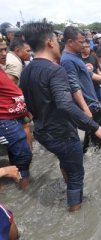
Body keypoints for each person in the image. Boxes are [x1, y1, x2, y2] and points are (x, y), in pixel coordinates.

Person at [20, 22, 101, 212]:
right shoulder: (55, 70)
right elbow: (65, 104)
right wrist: (95, 127)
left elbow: (27, 103)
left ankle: (68, 187)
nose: (58, 43)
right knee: (77, 175)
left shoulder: (27, 70)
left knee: (66, 162)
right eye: (56, 39)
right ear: (49, 43)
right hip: (61, 133)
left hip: (42, 131)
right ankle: (75, 212)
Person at [61, 26, 101, 153]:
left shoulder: (75, 57)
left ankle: (89, 152)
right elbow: (74, 86)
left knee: (92, 130)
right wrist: (85, 108)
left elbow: (89, 74)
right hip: (87, 103)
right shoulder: (68, 60)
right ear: (70, 42)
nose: (84, 45)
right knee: (95, 131)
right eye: (81, 42)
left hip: (91, 101)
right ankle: (95, 156)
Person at [0, 38, 32, 190]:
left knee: (16, 154)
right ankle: (24, 189)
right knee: (24, 155)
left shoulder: (1, 68)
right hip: (5, 120)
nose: (4, 53)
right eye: (0, 50)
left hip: (13, 117)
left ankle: (20, 185)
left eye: (5, 49)